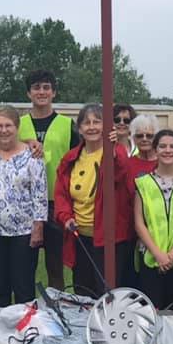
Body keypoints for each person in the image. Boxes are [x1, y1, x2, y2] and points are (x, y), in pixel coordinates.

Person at [54, 103, 134, 299]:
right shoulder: (71, 158)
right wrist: (65, 217)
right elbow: (61, 193)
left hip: (109, 238)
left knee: (107, 293)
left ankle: (106, 329)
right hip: (79, 236)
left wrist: (114, 147)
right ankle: (85, 328)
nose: (92, 127)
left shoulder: (115, 152)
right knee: (83, 290)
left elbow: (121, 174)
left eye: (97, 122)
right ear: (79, 128)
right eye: (86, 123)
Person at [0, 104, 48, 307]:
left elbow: (40, 193)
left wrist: (38, 226)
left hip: (24, 232)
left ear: (17, 127)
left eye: (8, 125)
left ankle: (24, 333)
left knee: (23, 286)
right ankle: (1, 330)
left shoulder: (32, 155)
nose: (4, 130)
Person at [17, 69, 80, 291]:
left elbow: (81, 158)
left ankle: (57, 314)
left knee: (55, 266)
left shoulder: (67, 124)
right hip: (24, 204)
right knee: (24, 266)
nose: (41, 92)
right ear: (28, 93)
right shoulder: (18, 124)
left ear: (54, 92)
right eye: (36, 87)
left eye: (46, 87)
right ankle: (26, 315)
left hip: (56, 203)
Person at [133, 130, 173, 310]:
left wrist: (172, 255)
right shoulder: (143, 183)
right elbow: (139, 222)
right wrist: (159, 255)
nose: (167, 150)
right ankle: (152, 339)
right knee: (150, 309)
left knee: (172, 310)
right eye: (162, 146)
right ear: (155, 150)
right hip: (150, 255)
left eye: (172, 146)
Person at [128, 113, 160, 179]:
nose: (144, 139)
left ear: (156, 137)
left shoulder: (167, 163)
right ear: (133, 138)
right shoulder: (127, 164)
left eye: (149, 136)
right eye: (139, 136)